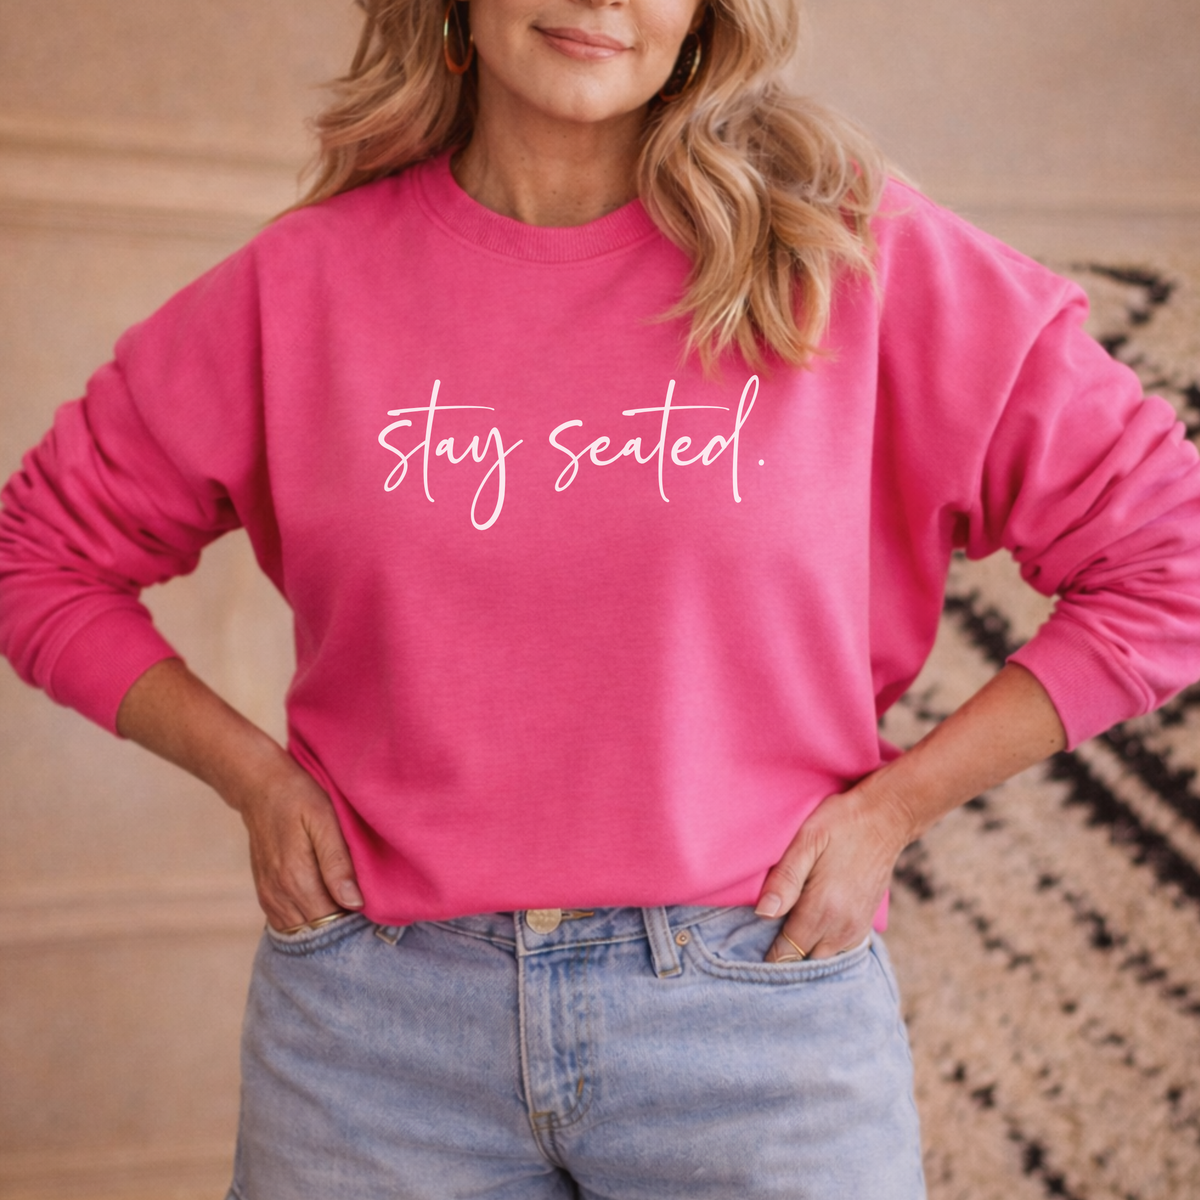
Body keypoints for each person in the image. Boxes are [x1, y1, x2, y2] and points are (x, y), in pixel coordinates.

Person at [2, 0, 1199, 1195]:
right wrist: (254, 781)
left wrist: (896, 808)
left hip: (753, 1032)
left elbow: (1168, 554)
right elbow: (39, 557)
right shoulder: (302, 286)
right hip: (374, 1043)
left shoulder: (850, 257)